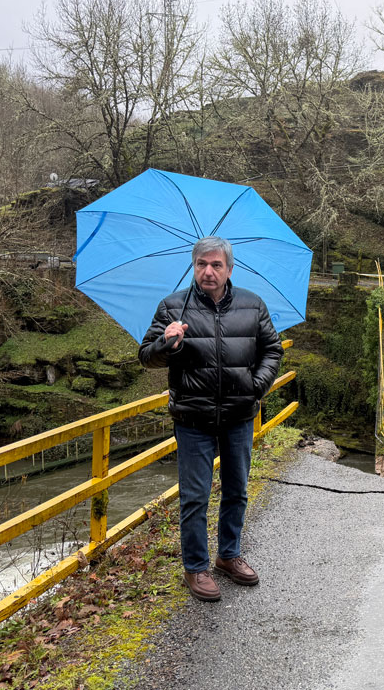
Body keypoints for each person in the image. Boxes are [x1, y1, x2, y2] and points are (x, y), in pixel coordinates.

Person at [139, 236, 283, 602]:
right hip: (193, 417)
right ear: (193, 266)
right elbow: (147, 357)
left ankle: (228, 556)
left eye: (216, 265)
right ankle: (196, 567)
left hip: (239, 415)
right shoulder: (173, 308)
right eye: (202, 264)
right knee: (195, 496)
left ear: (229, 269)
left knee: (237, 491)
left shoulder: (253, 305)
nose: (208, 271)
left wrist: (255, 387)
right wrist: (165, 343)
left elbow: (272, 349)